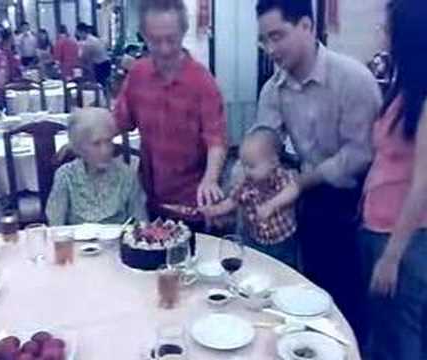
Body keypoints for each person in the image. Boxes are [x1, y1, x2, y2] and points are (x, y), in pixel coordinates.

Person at [255, 0, 382, 339]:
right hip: (308, 196)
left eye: (277, 36)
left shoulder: (354, 80)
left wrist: (301, 182)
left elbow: (361, 152)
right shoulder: (273, 89)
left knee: (350, 302)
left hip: (357, 202)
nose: (270, 49)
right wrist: (250, 172)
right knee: (309, 292)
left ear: (307, 27)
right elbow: (264, 140)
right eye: (264, 40)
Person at [114, 0, 227, 233]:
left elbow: (216, 140)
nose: (164, 49)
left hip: (193, 203)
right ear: (144, 35)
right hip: (152, 197)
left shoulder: (202, 82)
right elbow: (119, 121)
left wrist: (211, 179)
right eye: (156, 40)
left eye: (171, 39)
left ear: (184, 31)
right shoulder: (138, 74)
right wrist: (81, 136)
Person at [358, 0, 427, 359]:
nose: (382, 35)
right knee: (381, 332)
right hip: (375, 227)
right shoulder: (403, 88)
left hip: (405, 242)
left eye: (389, 28)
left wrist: (393, 256)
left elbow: (422, 185)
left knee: (404, 337)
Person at [202, 126, 298, 267]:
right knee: (254, 268)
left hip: (282, 243)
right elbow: (231, 202)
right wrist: (214, 210)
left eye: (251, 166)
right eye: (244, 164)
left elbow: (294, 189)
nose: (246, 171)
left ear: (273, 162)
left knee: (284, 272)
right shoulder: (246, 182)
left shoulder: (283, 177)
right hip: (255, 240)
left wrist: (271, 205)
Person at [46, 108, 148, 226]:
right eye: (96, 144)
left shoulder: (127, 175)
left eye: (108, 141)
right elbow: (55, 227)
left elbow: (141, 225)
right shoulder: (65, 176)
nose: (105, 150)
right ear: (80, 147)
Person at [75, 22, 110, 86]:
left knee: (99, 85)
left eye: (78, 33)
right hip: (105, 64)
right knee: (103, 85)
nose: (78, 35)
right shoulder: (92, 38)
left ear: (82, 32)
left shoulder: (89, 42)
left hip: (101, 65)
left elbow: (84, 57)